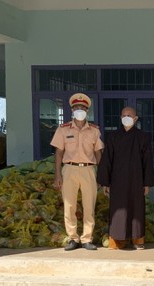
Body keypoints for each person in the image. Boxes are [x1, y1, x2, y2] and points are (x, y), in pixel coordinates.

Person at [96, 106, 154, 250]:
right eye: (124, 115)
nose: (126, 117)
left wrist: (147, 183)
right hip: (118, 180)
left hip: (137, 179)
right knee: (118, 210)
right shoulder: (113, 137)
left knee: (137, 209)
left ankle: (138, 239)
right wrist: (106, 182)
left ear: (135, 118)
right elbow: (107, 160)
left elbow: (147, 161)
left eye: (129, 115)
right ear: (121, 118)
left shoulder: (143, 137)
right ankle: (117, 240)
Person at [51, 93, 104, 251]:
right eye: (76, 107)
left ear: (87, 110)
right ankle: (73, 238)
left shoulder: (94, 130)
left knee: (89, 205)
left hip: (88, 169)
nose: (79, 110)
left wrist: (101, 174)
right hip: (69, 169)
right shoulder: (63, 129)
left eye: (82, 108)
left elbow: (98, 154)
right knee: (69, 205)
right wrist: (58, 174)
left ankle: (87, 238)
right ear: (72, 110)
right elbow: (59, 153)